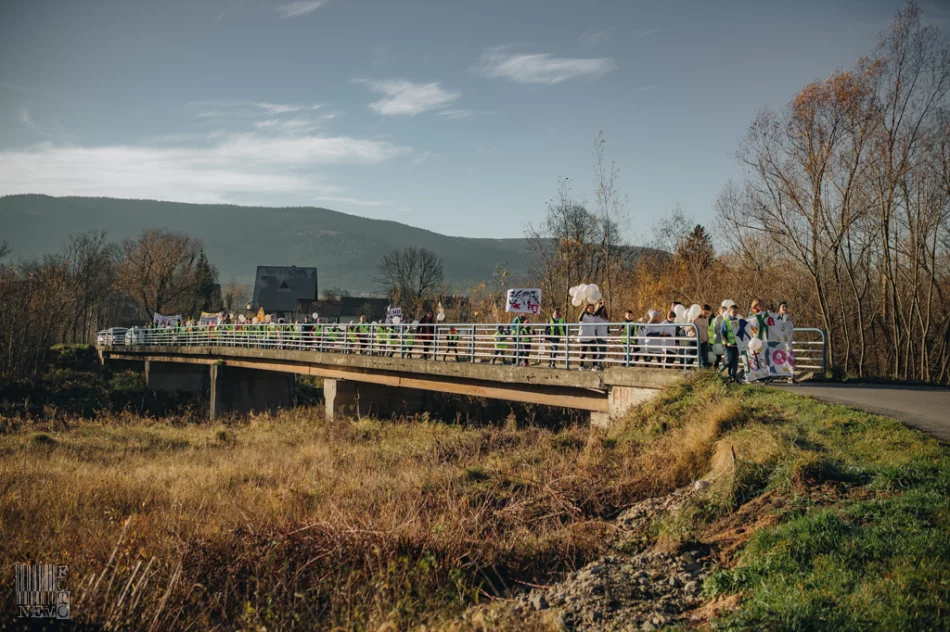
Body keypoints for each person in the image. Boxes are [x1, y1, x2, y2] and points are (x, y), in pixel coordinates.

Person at [721, 303, 741, 383]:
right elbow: (722, 334)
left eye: (736, 312)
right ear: (729, 312)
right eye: (734, 312)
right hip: (728, 345)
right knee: (728, 360)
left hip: (735, 345)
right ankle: (719, 371)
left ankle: (733, 376)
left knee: (735, 362)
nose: (735, 314)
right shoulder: (725, 321)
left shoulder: (738, 321)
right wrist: (727, 342)